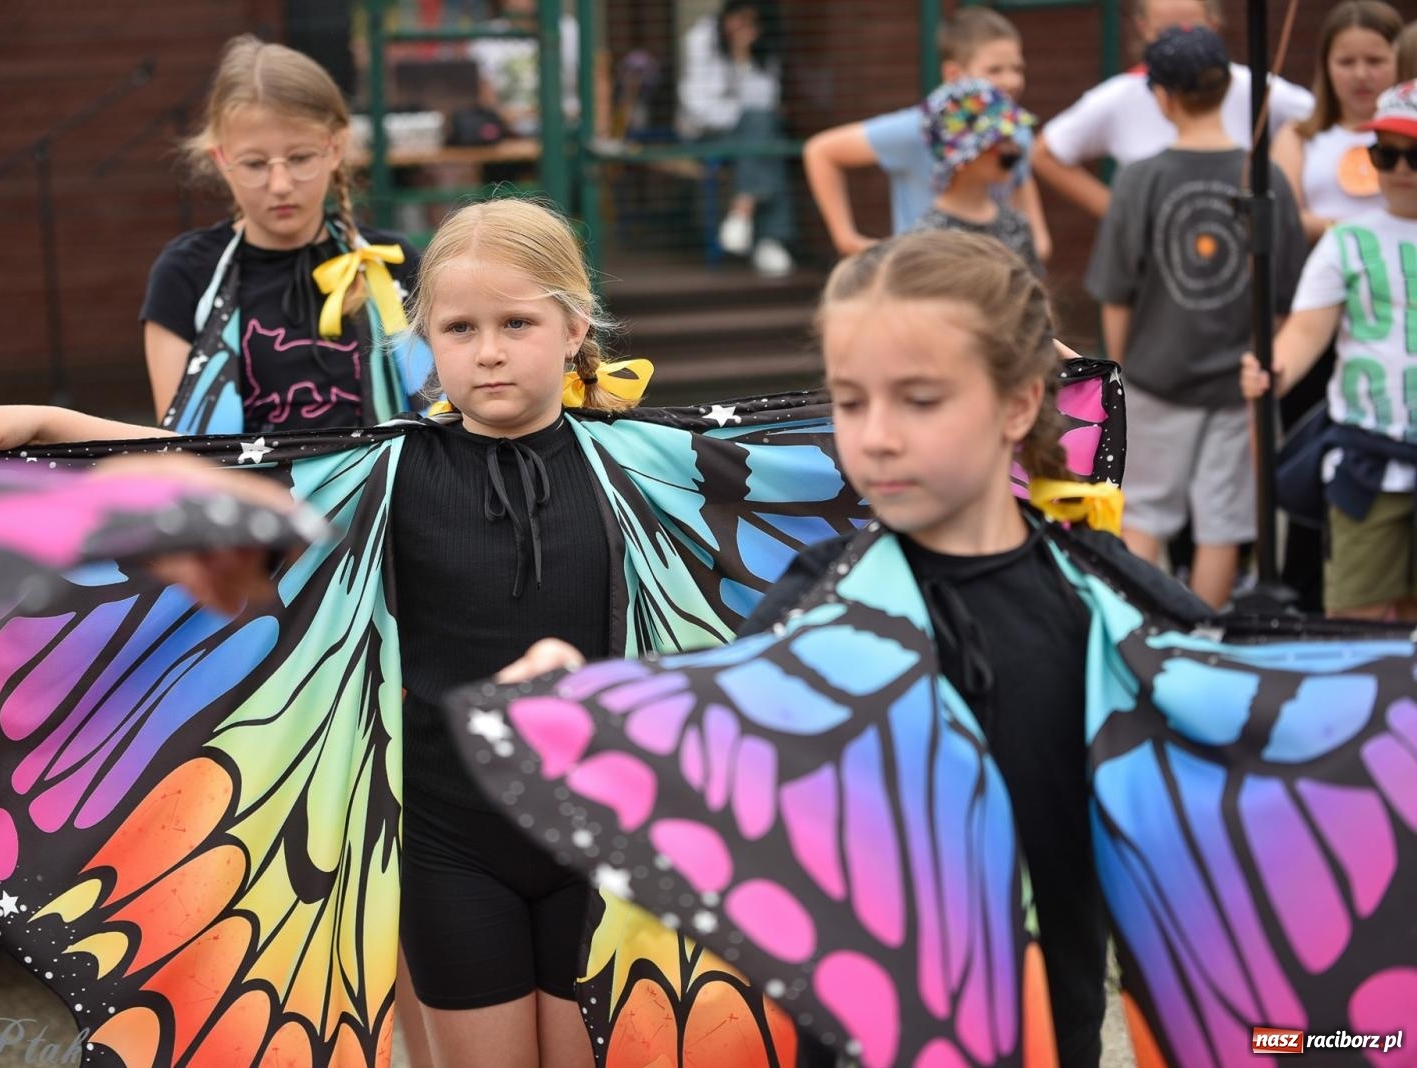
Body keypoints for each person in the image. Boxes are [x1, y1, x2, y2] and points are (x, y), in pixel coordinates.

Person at [0, 197, 864, 1068]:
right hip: (449, 849)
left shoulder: (642, 464)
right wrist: (53, 424)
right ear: (425, 344)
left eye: (517, 324)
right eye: (460, 329)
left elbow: (826, 471)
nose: (489, 351)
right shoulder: (385, 471)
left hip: (604, 846)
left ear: (575, 329)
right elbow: (205, 476)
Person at [490, 230, 1184, 1067]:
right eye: (852, 402)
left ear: (1017, 405)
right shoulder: (813, 598)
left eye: (920, 399)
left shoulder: (1109, 605)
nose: (878, 436)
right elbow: (720, 759)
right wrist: (598, 710)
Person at [1086, 26, 1306, 609]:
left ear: (1163, 97)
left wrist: (1121, 372)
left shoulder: (1139, 179)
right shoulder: (1268, 179)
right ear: (1226, 85)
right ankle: (1206, 635)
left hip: (1155, 377)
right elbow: (1286, 298)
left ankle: (1142, 630)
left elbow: (1115, 292)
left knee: (1144, 518)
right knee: (1221, 527)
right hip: (1240, 385)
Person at [142, 34, 426, 437]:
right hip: (246, 496)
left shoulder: (391, 260)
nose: (279, 184)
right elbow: (178, 445)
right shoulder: (187, 272)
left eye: (300, 158)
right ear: (220, 158)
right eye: (255, 163)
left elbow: (443, 402)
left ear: (336, 148)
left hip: (382, 495)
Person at [1242, 80, 1417, 621]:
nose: (1401, 169)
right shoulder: (1348, 239)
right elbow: (1304, 331)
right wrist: (1274, 368)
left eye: (1415, 154)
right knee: (1355, 618)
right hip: (1370, 454)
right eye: (1385, 154)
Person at [802, 6, 1051, 260]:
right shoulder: (918, 128)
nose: (1011, 81)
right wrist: (848, 240)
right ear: (954, 74)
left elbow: (1024, 198)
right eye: (995, 70)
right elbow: (821, 150)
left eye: (1017, 69)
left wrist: (1030, 250)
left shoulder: (1017, 131)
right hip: (924, 277)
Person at [1032, 0, 1314, 219]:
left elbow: (1316, 117)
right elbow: (1046, 152)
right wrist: (1122, 216)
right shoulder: (1123, 96)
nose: (1181, 44)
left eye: (1192, 28)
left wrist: (1283, 174)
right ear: (1163, 100)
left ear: (1214, 24)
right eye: (1165, 32)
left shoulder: (1254, 87)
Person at [677, 0, 795, 277]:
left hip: (749, 137)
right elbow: (700, 110)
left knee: (763, 132)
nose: (741, 29)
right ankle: (770, 240)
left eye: (750, 23)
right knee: (766, 136)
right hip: (705, 137)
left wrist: (743, 61)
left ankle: (742, 212)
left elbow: (766, 101)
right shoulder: (700, 39)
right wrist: (741, 114)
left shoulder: (764, 49)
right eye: (737, 19)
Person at [1273, 1, 1401, 244]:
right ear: (1326, 66)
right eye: (1346, 62)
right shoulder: (1297, 134)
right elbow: (1284, 216)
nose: (1361, 75)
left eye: (1375, 61)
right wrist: (1352, 232)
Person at [912, 79, 1042, 274]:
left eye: (1011, 137)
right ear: (964, 156)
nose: (1013, 150)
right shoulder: (929, 238)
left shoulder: (1016, 225)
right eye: (1000, 141)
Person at [469, 0, 581, 138]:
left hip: (568, 132)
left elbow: (597, 84)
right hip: (510, 135)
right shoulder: (486, 37)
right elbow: (487, 100)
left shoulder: (570, 29)